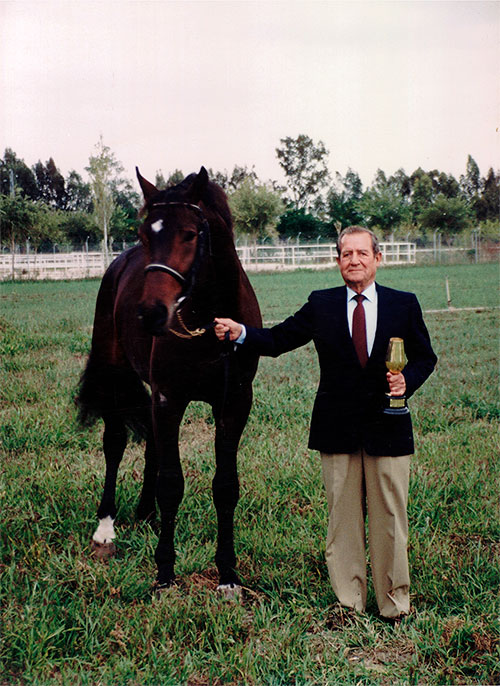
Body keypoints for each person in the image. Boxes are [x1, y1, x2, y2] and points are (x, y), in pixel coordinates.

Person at [214, 226, 437, 623]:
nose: (354, 260)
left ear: (377, 259)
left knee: (390, 520)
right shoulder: (322, 304)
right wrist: (241, 332)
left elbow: (425, 357)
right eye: (346, 254)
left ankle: (394, 605)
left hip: (389, 428)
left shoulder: (404, 305)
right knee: (343, 520)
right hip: (337, 430)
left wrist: (408, 380)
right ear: (337, 262)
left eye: (362, 253)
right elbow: (279, 339)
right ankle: (349, 602)